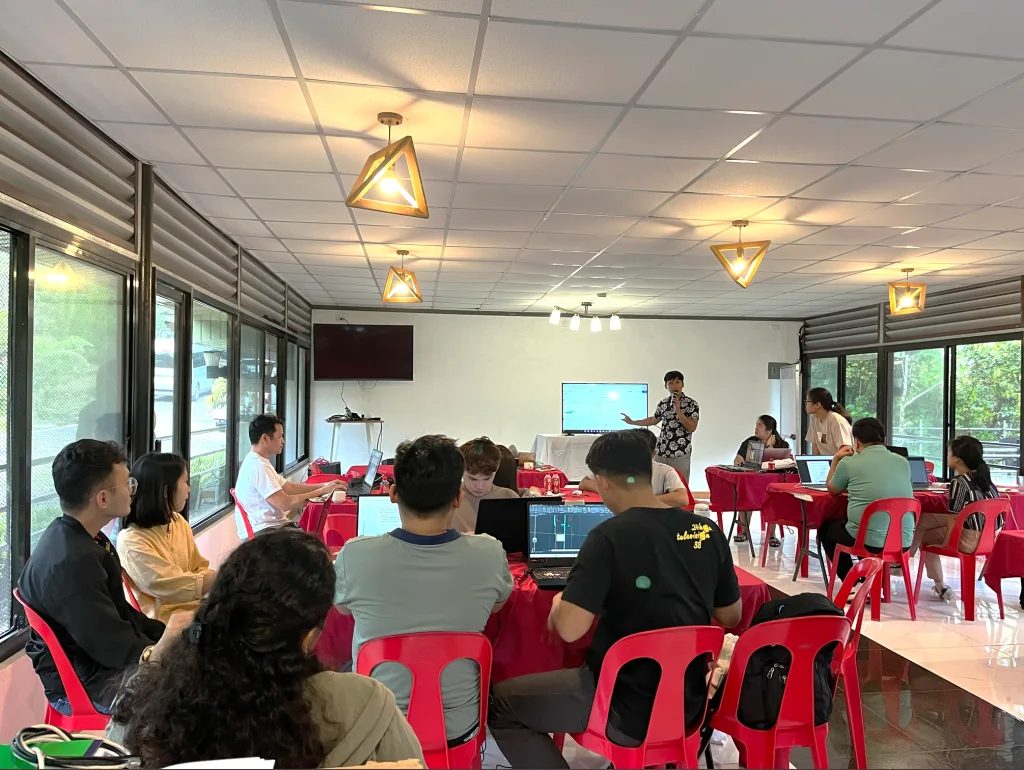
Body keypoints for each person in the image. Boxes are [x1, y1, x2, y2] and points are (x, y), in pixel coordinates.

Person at [488, 430, 741, 768]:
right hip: (689, 702)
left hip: (619, 704)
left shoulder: (607, 537)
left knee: (501, 706)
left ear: (603, 482)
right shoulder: (707, 532)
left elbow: (570, 630)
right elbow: (731, 615)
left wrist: (562, 602)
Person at [110, 528, 424, 768]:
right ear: (308, 638)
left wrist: (160, 653)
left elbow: (113, 746)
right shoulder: (366, 702)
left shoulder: (159, 703)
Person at [335, 435, 513, 745]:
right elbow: (497, 606)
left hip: (379, 724)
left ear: (393, 494)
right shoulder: (490, 553)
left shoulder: (354, 555)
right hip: (460, 725)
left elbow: (342, 609)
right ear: (458, 498)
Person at [17, 440, 188, 716]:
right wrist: (166, 643)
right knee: (198, 693)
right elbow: (113, 648)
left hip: (101, 663)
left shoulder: (82, 538)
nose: (133, 490)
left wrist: (172, 635)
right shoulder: (71, 564)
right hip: (88, 683)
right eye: (127, 483)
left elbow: (123, 618)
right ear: (103, 499)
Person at [117, 453, 216, 623]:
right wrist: (224, 578)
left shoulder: (177, 521)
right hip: (165, 626)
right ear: (165, 491)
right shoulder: (131, 540)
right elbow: (172, 585)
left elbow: (199, 566)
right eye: (185, 482)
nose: (189, 489)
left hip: (195, 611)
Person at [818, 418, 914, 582]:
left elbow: (832, 489)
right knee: (865, 529)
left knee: (827, 530)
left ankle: (852, 583)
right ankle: (871, 579)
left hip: (869, 539)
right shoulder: (903, 462)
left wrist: (835, 459)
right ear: (884, 440)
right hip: (903, 540)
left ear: (856, 442)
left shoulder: (849, 463)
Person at [912, 436, 1001, 600]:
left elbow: (954, 517)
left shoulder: (959, 482)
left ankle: (902, 561)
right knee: (924, 520)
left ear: (958, 459)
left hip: (967, 540)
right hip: (987, 539)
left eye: (949, 452)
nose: (947, 455)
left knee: (923, 531)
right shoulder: (987, 480)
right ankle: (939, 586)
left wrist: (947, 542)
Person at [235, 414, 345, 536]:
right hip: (265, 533)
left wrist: (326, 485)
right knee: (314, 540)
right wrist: (323, 491)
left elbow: (289, 487)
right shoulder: (258, 466)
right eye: (280, 437)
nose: (283, 441)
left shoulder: (258, 461)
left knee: (314, 535)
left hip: (273, 528)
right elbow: (285, 503)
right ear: (265, 438)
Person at [579, 428, 689, 508]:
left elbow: (682, 498)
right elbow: (584, 482)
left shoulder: (665, 471)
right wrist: (607, 490)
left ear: (653, 454)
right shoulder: (617, 467)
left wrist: (640, 501)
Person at [621, 370, 699, 481]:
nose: (674, 385)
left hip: (680, 452)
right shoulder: (663, 403)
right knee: (657, 482)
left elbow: (692, 427)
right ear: (666, 386)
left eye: (677, 382)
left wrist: (678, 410)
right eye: (670, 383)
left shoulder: (692, 404)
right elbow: (654, 419)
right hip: (662, 451)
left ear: (682, 384)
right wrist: (633, 422)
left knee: (680, 484)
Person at [733, 415, 790, 545]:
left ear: (769, 430)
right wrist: (739, 460)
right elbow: (738, 459)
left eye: (760, 425)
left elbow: (785, 464)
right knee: (745, 495)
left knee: (775, 498)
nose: (756, 428)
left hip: (771, 484)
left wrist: (770, 448)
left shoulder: (782, 445)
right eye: (756, 425)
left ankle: (772, 535)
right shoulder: (749, 442)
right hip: (752, 483)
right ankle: (744, 532)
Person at [448, 436, 520, 532]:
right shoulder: (447, 498)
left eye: (487, 479)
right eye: (472, 479)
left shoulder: (509, 498)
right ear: (461, 471)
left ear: (496, 471)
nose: (479, 486)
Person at [805, 387, 853, 456]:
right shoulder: (815, 418)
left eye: (807, 401)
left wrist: (834, 462)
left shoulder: (835, 420)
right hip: (827, 461)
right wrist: (814, 461)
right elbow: (815, 444)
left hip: (842, 461)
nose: (806, 405)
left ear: (818, 405)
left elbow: (846, 450)